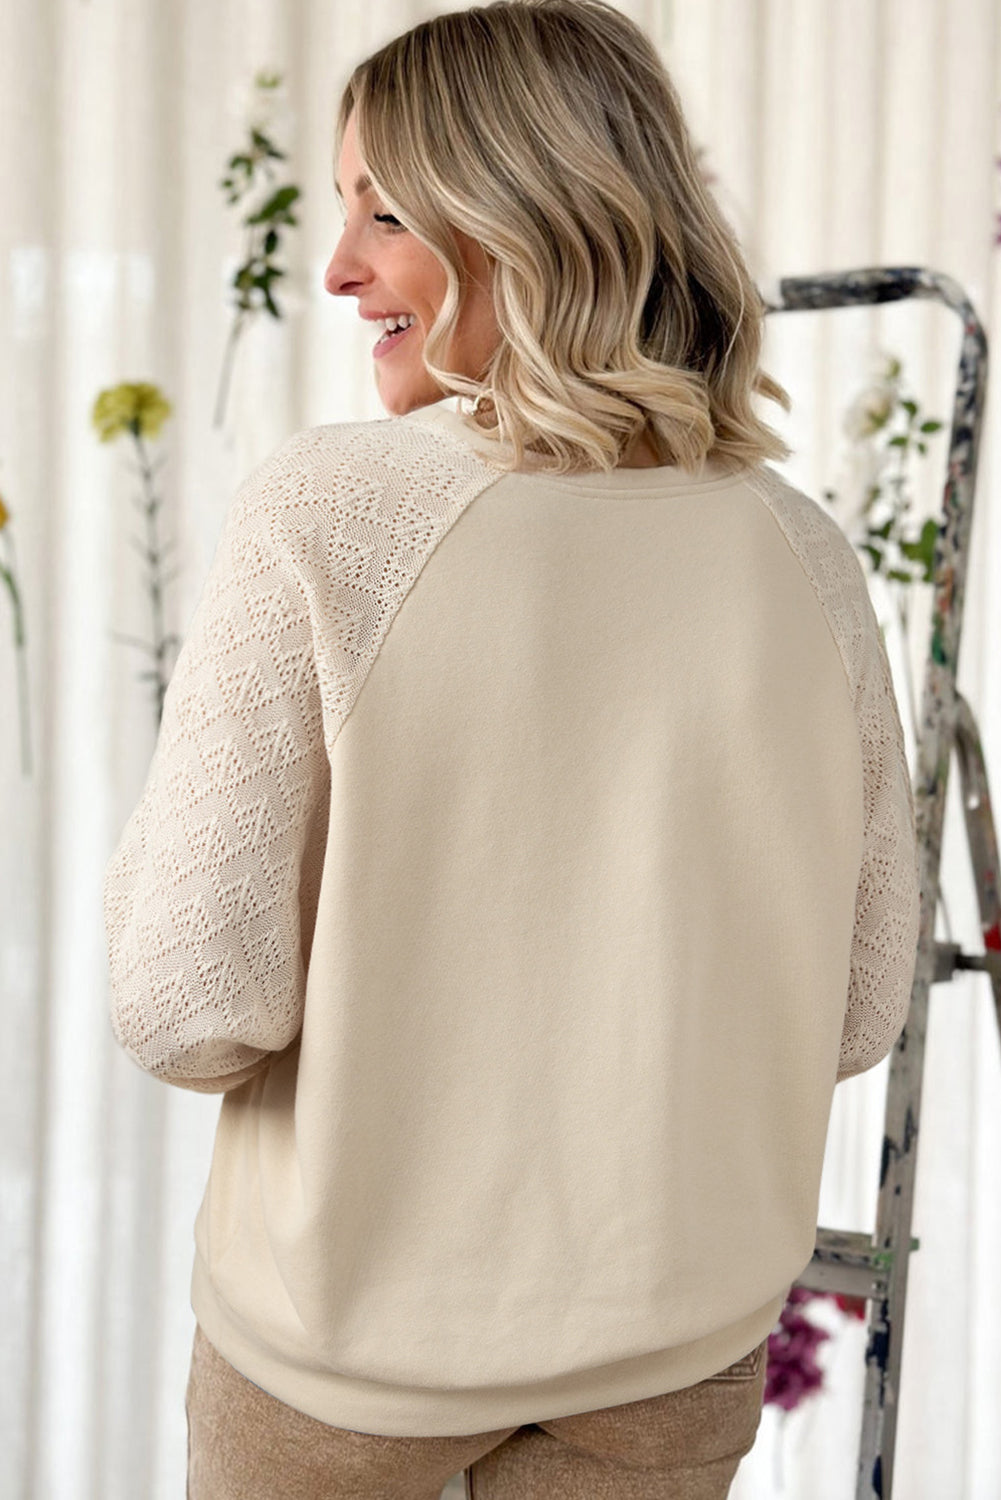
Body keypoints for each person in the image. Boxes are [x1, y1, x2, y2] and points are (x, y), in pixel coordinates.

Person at [102, 2, 921, 1496]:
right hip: (671, 1358)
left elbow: (183, 1007)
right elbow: (859, 1009)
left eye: (386, 214)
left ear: (526, 218)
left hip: (346, 1366)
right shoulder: (803, 554)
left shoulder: (333, 513)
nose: (342, 270)